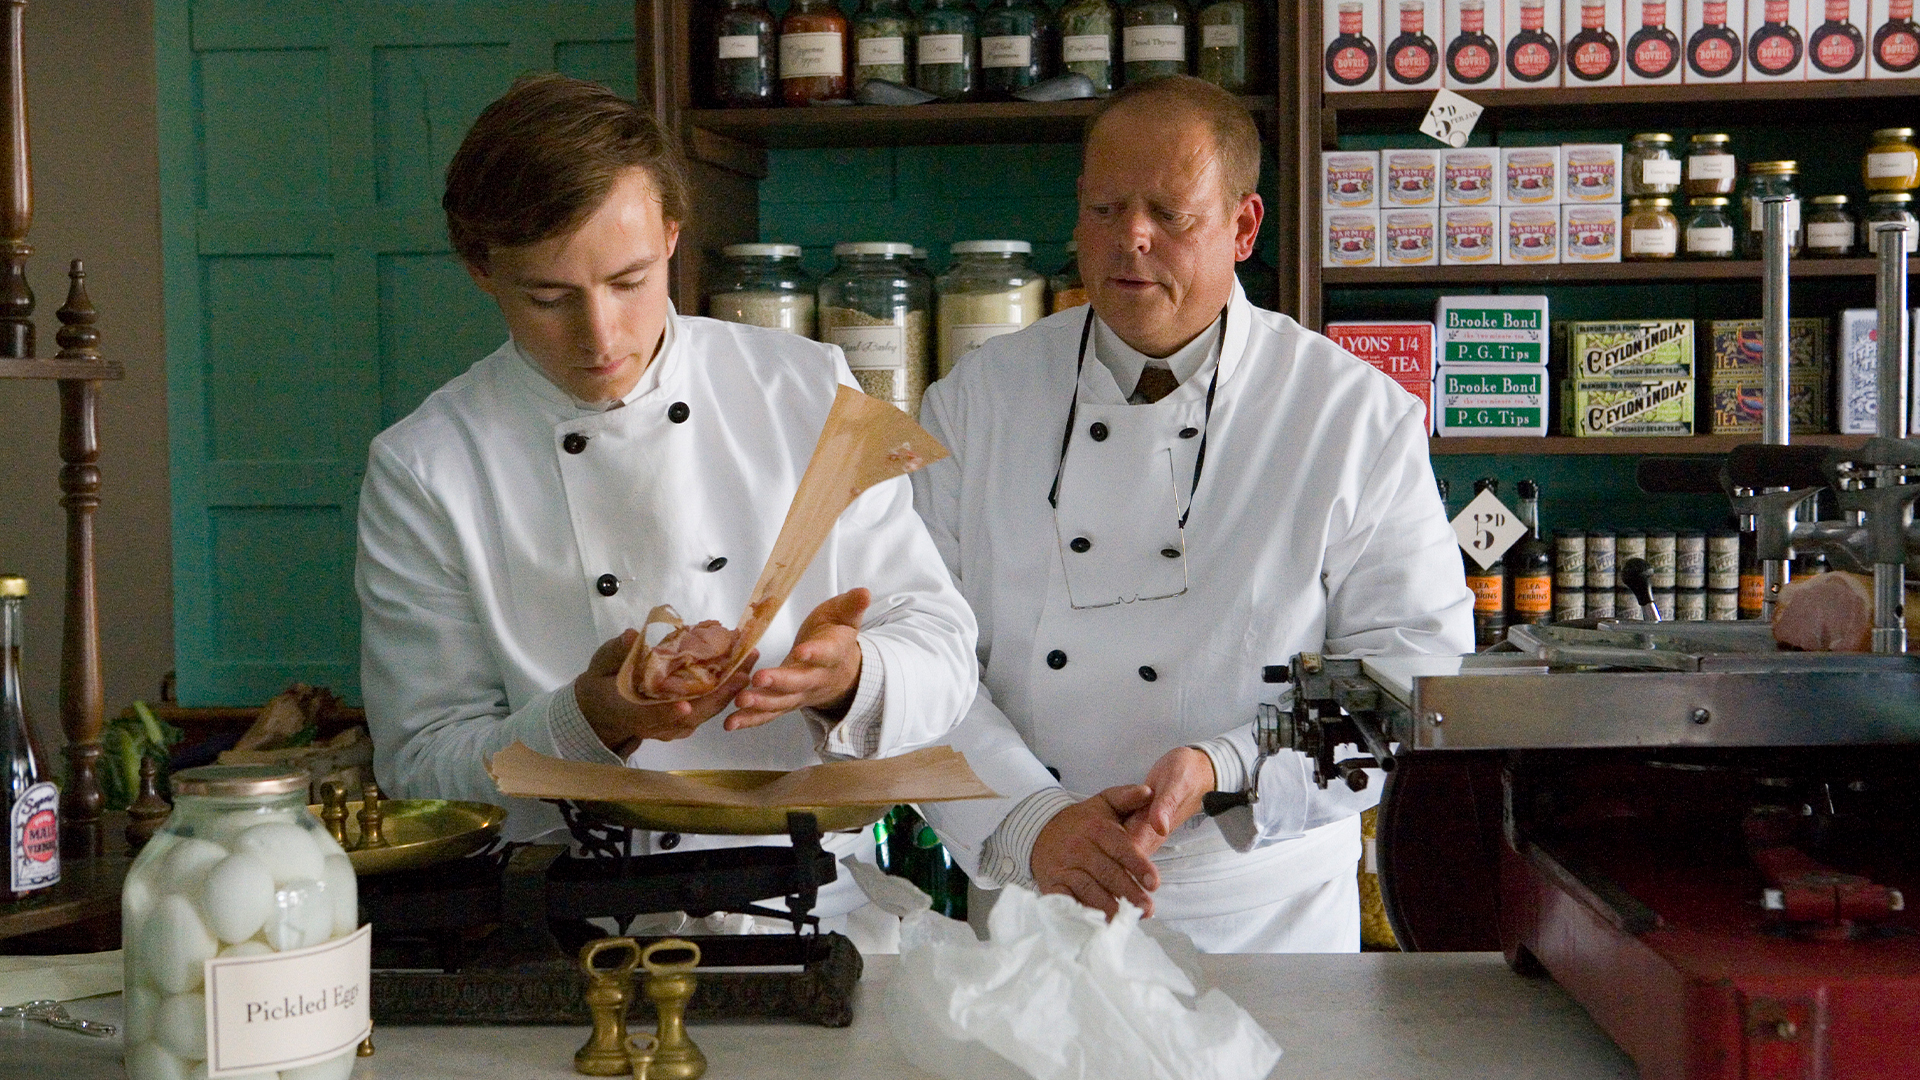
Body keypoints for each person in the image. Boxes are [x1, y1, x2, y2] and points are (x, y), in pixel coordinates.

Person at [355, 74, 978, 947]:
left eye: (630, 280)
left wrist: (852, 676)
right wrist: (589, 718)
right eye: (548, 297)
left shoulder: (804, 389)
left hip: (812, 913)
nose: (601, 336)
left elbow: (944, 649)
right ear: (478, 267)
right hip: (564, 927)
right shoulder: (427, 467)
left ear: (674, 237)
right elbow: (422, 768)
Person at [911, 76, 1473, 952]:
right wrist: (1032, 821)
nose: (1129, 237)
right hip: (1035, 909)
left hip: (1265, 921)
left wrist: (1229, 764)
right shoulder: (977, 400)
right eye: (1103, 208)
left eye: (1169, 214)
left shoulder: (1347, 415)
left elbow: (1415, 674)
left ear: (1244, 227)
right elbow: (918, 654)